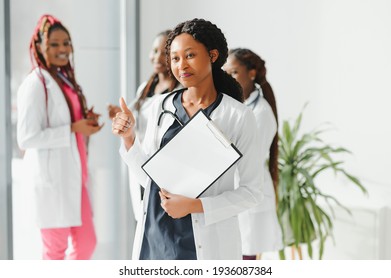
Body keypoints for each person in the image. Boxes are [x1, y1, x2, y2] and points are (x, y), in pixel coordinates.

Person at [112, 18, 264, 260]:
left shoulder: (238, 116)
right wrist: (129, 139)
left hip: (204, 241)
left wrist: (195, 205)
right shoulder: (160, 105)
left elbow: (251, 192)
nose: (181, 65)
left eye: (190, 55)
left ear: (213, 56)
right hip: (156, 234)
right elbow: (151, 179)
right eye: (174, 58)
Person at [17, 14, 103, 260]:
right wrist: (74, 128)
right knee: (55, 251)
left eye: (66, 42)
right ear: (39, 46)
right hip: (53, 182)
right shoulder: (35, 84)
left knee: (87, 244)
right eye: (54, 44)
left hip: (76, 179)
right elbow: (26, 138)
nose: (62, 49)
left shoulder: (65, 81)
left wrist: (85, 119)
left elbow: (68, 120)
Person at [107, 30, 181, 220]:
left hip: (160, 166)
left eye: (162, 52)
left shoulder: (179, 93)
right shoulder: (146, 88)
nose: (155, 57)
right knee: (143, 218)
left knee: (157, 217)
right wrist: (121, 117)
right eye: (154, 50)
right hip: (139, 157)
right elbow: (134, 120)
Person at [224, 48, 283, 259]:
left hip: (248, 193)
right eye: (225, 73)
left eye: (234, 73)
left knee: (246, 258)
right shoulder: (235, 105)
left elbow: (248, 157)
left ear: (251, 74)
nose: (228, 78)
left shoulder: (261, 112)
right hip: (232, 194)